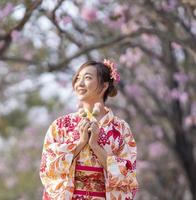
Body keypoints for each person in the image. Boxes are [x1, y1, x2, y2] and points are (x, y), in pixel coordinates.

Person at [39, 60, 138, 200]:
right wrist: (80, 143)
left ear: (104, 85)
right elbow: (47, 168)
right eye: (78, 78)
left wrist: (95, 146)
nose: (79, 84)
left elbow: (127, 176)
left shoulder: (120, 129)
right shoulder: (60, 126)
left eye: (87, 78)